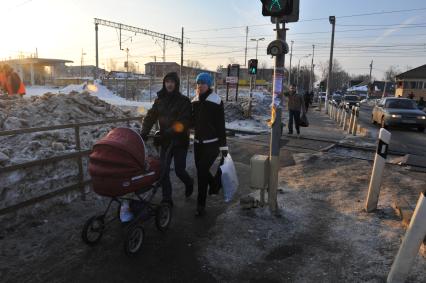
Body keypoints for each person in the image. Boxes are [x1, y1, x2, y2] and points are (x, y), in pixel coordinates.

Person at [141, 72, 193, 206]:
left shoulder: (184, 101)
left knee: (179, 170)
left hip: (180, 142)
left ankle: (189, 182)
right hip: (165, 141)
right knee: (163, 170)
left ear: (176, 84)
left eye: (172, 82)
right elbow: (150, 117)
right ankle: (167, 199)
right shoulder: (159, 100)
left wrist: (168, 133)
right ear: (164, 84)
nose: (169, 84)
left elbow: (184, 122)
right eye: (167, 82)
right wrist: (144, 132)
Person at [192, 72, 227, 216]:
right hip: (197, 143)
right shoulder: (194, 101)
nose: (200, 86)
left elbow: (220, 125)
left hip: (212, 144)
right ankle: (214, 184)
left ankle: (200, 205)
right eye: (198, 83)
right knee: (202, 171)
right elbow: (191, 121)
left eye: (203, 83)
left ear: (209, 85)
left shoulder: (216, 101)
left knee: (201, 172)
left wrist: (223, 146)